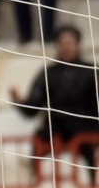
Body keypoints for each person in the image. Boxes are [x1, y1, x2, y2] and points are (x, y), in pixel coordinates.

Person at [10, 25, 99, 172]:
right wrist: (18, 101)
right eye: (62, 44)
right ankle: (35, 181)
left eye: (70, 43)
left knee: (89, 155)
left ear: (77, 45)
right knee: (37, 141)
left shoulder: (92, 72)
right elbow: (33, 108)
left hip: (85, 127)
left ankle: (92, 185)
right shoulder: (48, 73)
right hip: (55, 128)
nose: (66, 48)